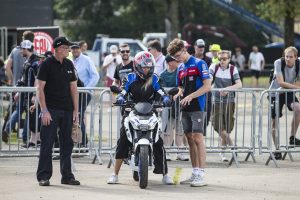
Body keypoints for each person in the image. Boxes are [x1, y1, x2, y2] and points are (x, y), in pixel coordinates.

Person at [106, 51, 173, 185]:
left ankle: (165, 174)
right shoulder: (130, 78)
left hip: (150, 112)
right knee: (123, 141)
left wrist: (166, 98)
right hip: (131, 111)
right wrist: (120, 97)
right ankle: (115, 174)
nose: (146, 69)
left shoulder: (154, 79)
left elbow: (161, 91)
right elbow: (123, 91)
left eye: (149, 66)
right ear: (137, 66)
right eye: (144, 67)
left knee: (158, 143)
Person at [36, 36, 80, 186]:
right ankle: (43, 176)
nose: (69, 50)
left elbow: (74, 89)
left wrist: (76, 111)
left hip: (67, 110)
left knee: (67, 144)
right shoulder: (46, 64)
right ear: (59, 48)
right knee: (47, 144)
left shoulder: (69, 64)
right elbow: (39, 88)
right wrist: (44, 110)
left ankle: (67, 176)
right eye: (67, 47)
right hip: (51, 110)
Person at [167, 39, 211, 187]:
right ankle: (195, 172)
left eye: (179, 55)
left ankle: (202, 175)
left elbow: (207, 86)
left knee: (198, 139)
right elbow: (181, 87)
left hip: (198, 105)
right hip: (184, 107)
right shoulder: (180, 68)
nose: (178, 59)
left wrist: (191, 96)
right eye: (175, 57)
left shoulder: (200, 63)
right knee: (190, 140)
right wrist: (177, 94)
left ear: (184, 50)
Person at [2, 40, 39, 145]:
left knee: (25, 113)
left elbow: (37, 79)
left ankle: (24, 137)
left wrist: (35, 94)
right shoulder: (27, 61)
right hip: (25, 92)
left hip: (30, 93)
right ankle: (24, 138)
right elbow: (23, 78)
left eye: (22, 49)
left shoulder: (34, 62)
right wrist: (18, 90)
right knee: (24, 113)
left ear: (27, 49)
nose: (20, 51)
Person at [209, 50, 242, 162]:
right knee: (218, 126)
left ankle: (222, 153)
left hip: (230, 101)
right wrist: (214, 88)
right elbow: (208, 80)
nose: (222, 61)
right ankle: (233, 146)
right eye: (220, 59)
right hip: (217, 101)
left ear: (229, 59)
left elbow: (239, 84)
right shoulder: (214, 67)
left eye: (224, 59)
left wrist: (227, 89)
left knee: (226, 129)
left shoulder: (233, 69)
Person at [269, 46, 300, 160]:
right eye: (286, 56)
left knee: (298, 108)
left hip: (288, 92)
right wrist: (296, 87)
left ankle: (292, 138)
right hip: (275, 93)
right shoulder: (278, 62)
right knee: (274, 122)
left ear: (296, 57)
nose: (287, 59)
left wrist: (296, 87)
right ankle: (277, 149)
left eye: (290, 57)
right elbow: (281, 82)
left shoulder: (299, 64)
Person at [160, 54, 188, 161]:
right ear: (170, 62)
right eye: (176, 61)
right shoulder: (163, 75)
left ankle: (180, 152)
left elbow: (183, 86)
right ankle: (166, 151)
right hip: (168, 106)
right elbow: (163, 90)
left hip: (180, 104)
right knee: (168, 129)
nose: (178, 62)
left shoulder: (180, 72)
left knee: (180, 129)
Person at [71, 42, 99, 146]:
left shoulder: (86, 60)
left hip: (84, 93)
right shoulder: (70, 60)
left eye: (77, 48)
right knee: (75, 116)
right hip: (74, 93)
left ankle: (83, 142)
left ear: (81, 49)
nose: (75, 50)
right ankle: (78, 140)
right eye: (73, 49)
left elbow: (95, 76)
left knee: (79, 115)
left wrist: (85, 89)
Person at [194, 39, 213, 135]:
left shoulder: (209, 60)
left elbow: (211, 76)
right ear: (195, 47)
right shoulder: (191, 59)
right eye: (199, 46)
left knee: (207, 112)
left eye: (203, 47)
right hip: (193, 91)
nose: (201, 48)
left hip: (205, 91)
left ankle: (202, 132)